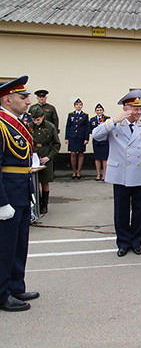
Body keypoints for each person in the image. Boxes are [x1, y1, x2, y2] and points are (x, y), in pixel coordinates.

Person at [91, 90, 141, 257]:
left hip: (139, 174)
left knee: (139, 211)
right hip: (120, 175)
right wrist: (114, 120)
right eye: (135, 109)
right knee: (121, 212)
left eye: (140, 109)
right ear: (126, 109)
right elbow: (96, 136)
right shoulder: (114, 125)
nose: (139, 112)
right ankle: (123, 243)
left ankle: (136, 242)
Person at [0, 76, 39, 312]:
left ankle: (15, 285)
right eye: (23, 97)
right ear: (7, 99)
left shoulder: (16, 122)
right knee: (4, 246)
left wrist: (30, 192)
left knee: (19, 243)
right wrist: (2, 202)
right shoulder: (2, 124)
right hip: (8, 194)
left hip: (21, 189)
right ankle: (2, 293)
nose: (28, 102)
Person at [28, 106, 60, 214]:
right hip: (34, 155)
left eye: (38, 119)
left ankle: (44, 204)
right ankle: (36, 202)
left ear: (42, 117)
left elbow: (56, 144)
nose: (36, 122)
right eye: (34, 119)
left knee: (44, 181)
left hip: (45, 154)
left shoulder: (50, 127)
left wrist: (49, 156)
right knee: (35, 181)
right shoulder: (29, 126)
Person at [65, 98, 89, 179]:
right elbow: (68, 126)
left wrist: (86, 138)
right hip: (72, 137)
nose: (79, 106)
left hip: (81, 137)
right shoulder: (71, 115)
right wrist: (66, 137)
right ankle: (74, 171)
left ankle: (78, 171)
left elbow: (87, 127)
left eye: (80, 105)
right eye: (77, 105)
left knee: (81, 153)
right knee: (73, 153)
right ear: (75, 106)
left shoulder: (85, 115)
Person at [89, 104, 110, 181]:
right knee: (97, 158)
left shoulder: (107, 119)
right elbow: (90, 129)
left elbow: (109, 128)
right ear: (95, 111)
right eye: (97, 110)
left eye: (100, 110)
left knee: (104, 158)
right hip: (96, 141)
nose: (99, 111)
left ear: (103, 111)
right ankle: (98, 174)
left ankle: (104, 174)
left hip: (104, 141)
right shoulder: (92, 120)